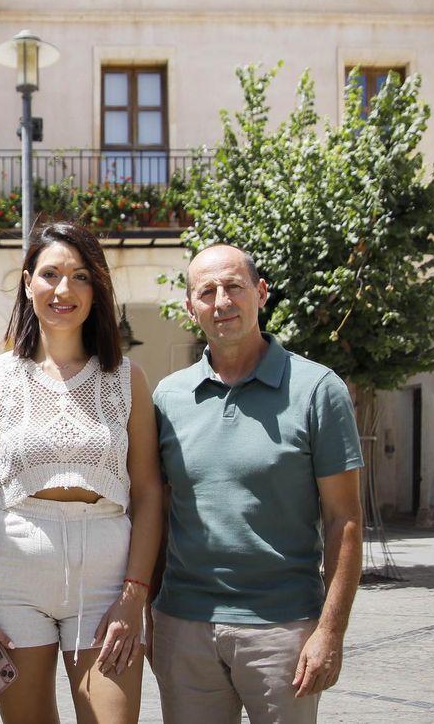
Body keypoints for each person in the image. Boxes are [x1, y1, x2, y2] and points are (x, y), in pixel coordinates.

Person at [0, 220, 164, 724]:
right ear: (28, 283)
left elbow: (151, 493)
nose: (63, 289)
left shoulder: (127, 379)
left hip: (108, 577)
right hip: (11, 577)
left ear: (97, 289)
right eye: (50, 274)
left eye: (80, 276)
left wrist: (136, 596)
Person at [150, 243, 364, 724]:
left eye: (234, 287)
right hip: (184, 626)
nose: (221, 301)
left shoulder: (317, 389)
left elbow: (344, 520)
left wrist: (330, 631)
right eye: (206, 291)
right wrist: (150, 612)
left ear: (261, 293)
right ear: (190, 307)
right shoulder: (168, 397)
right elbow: (158, 511)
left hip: (284, 631)